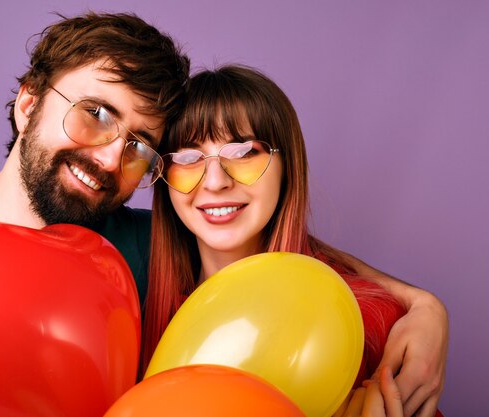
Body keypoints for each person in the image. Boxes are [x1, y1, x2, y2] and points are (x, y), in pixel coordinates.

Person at [0, 12, 444, 417]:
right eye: (94, 113)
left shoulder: (136, 254)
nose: (112, 155)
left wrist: (423, 306)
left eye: (140, 144)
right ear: (28, 103)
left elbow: (285, 270)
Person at [141, 65, 446, 416]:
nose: (214, 182)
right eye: (187, 158)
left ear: (287, 164)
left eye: (242, 152)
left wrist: (426, 306)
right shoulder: (145, 313)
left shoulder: (367, 322)